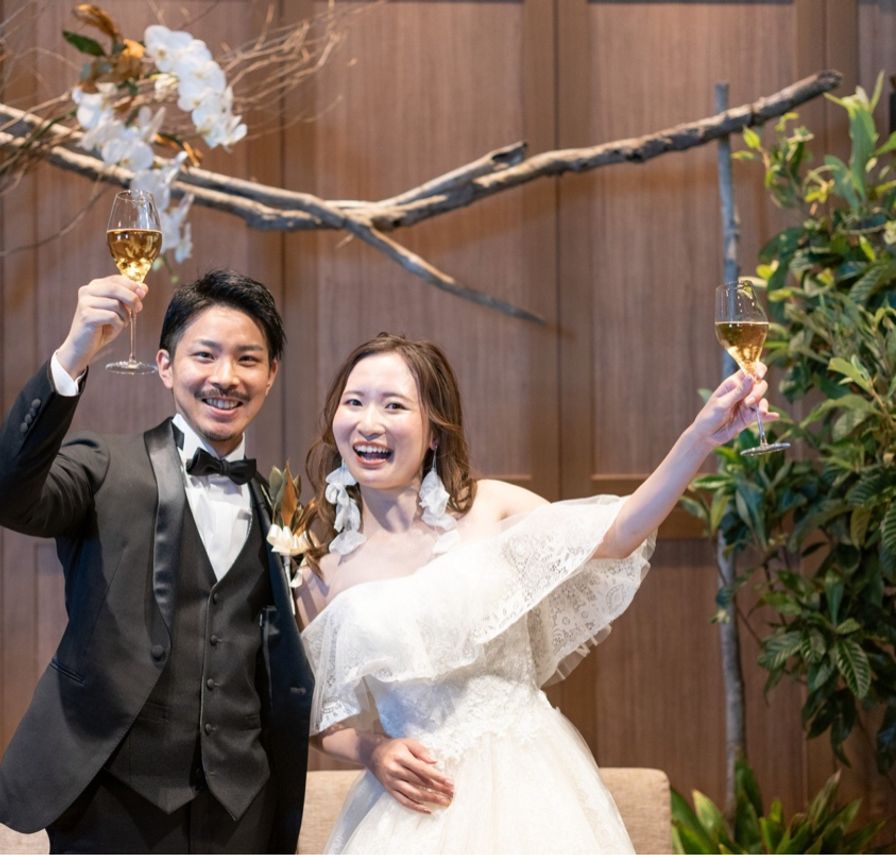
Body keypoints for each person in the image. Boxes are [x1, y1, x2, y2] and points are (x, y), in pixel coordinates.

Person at [294, 333, 773, 853]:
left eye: (394, 406)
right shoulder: (321, 574)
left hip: (529, 787)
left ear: (434, 431)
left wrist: (700, 437)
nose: (369, 423)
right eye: (354, 402)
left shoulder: (491, 508)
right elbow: (313, 714)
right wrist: (372, 751)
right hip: (412, 805)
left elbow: (617, 532)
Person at [0, 269, 314, 854]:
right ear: (164, 366)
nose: (225, 377)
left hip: (242, 810)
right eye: (204, 355)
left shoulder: (277, 505)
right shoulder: (103, 466)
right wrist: (72, 356)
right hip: (113, 806)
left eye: (247, 359)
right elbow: (4, 496)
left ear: (272, 375)